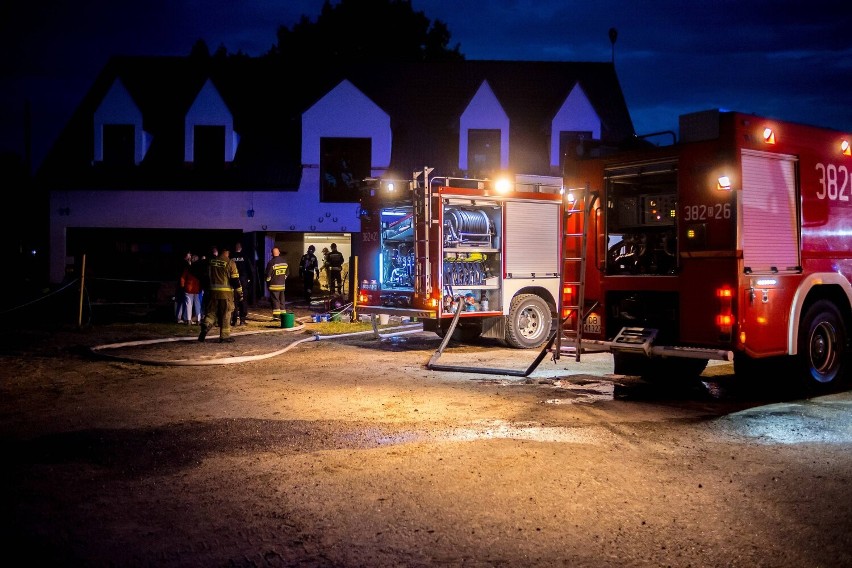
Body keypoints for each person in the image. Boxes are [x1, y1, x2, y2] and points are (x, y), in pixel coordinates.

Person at [198, 246, 242, 343]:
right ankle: (224, 336)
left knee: (211, 312)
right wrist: (240, 292)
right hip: (226, 294)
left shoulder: (211, 262)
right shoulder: (230, 263)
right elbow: (235, 280)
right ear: (226, 251)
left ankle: (205, 325)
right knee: (226, 313)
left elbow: (205, 277)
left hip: (213, 293)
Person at [230, 241, 253, 326]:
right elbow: (251, 269)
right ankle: (242, 320)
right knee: (243, 300)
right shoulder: (245, 256)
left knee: (234, 301)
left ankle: (234, 320)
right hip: (243, 281)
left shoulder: (231, 257)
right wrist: (249, 279)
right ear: (241, 248)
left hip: (233, 281)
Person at [265, 247, 288, 321]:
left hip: (274, 286)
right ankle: (283, 315)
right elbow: (287, 272)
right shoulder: (284, 262)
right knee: (282, 301)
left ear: (272, 254)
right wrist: (283, 278)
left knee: (275, 301)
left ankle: (276, 317)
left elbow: (268, 275)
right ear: (279, 253)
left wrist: (267, 283)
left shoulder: (271, 263)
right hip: (282, 285)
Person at [180, 254, 202, 324]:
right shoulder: (199, 269)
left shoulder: (188, 269)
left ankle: (188, 320)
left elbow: (183, 278)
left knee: (189, 304)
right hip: (197, 288)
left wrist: (182, 286)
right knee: (197, 304)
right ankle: (198, 320)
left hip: (188, 288)